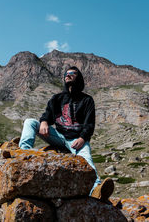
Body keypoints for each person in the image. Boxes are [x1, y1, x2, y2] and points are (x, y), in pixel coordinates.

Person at [19, 66, 114, 201]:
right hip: (58, 136)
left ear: (78, 77)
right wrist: (45, 121)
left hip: (77, 140)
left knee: (87, 160)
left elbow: (89, 124)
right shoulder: (56, 98)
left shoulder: (87, 100)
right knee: (30, 122)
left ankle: (96, 189)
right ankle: (23, 154)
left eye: (72, 73)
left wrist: (82, 138)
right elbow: (47, 115)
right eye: (66, 74)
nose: (68, 75)